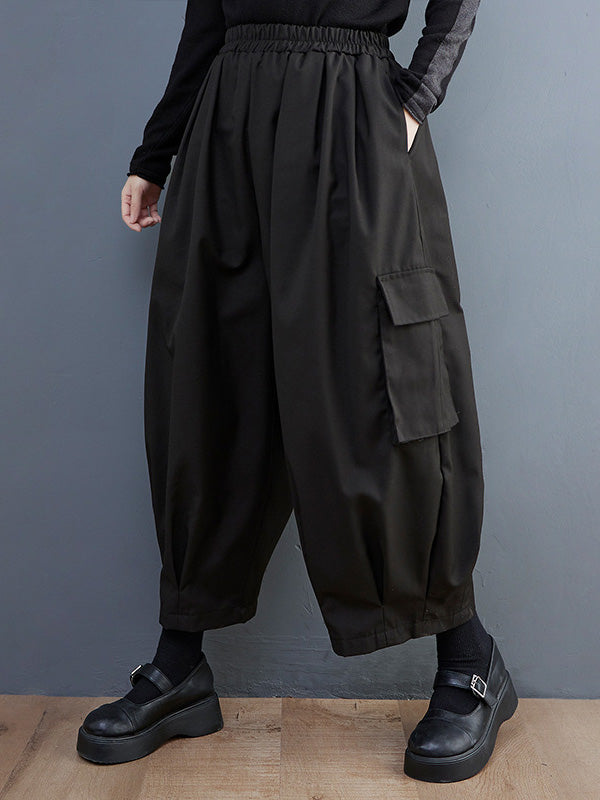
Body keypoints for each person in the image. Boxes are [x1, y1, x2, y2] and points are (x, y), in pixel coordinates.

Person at [76, 0, 518, 783]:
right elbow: (207, 18)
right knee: (209, 382)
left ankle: (468, 655)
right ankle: (180, 664)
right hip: (228, 124)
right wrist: (157, 150)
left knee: (383, 385)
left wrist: (416, 97)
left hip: (351, 118)